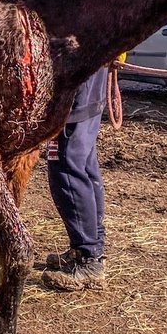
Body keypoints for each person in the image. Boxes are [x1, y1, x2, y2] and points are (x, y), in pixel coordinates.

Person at [42, 65, 109, 292]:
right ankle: (91, 249)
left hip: (75, 94)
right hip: (91, 90)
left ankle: (88, 260)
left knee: (67, 166)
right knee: (85, 165)